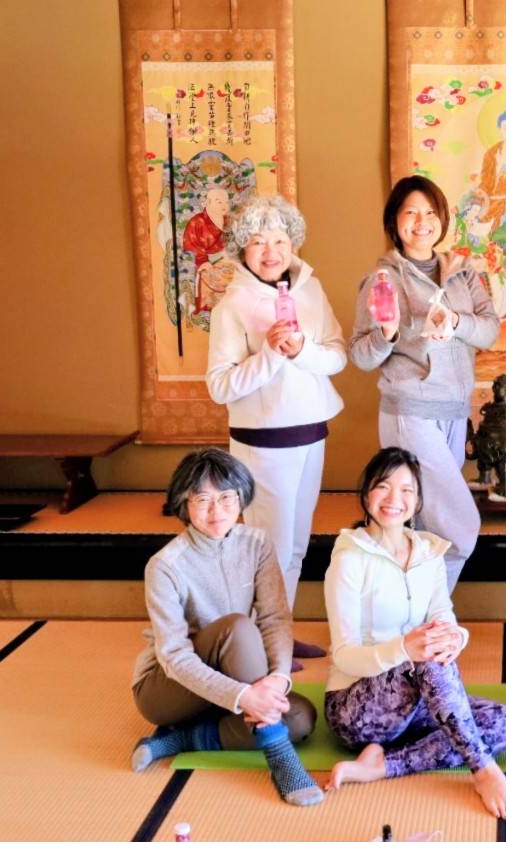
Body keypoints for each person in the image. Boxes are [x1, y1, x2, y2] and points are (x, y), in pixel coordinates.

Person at [322, 448, 506, 820]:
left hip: (415, 703)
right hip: (357, 708)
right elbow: (343, 655)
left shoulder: (428, 552)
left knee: (504, 723)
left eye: (407, 490)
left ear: (417, 501)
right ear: (366, 494)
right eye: (384, 487)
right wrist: (404, 649)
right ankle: (484, 771)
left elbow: (443, 617)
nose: (394, 499)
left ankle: (382, 765)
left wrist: (456, 638)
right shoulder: (349, 558)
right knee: (426, 657)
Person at [129, 448, 323, 807]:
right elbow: (174, 657)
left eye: (226, 497)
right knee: (238, 628)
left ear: (241, 497)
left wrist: (277, 679)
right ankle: (279, 755)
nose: (216, 510)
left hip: (234, 677)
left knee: (300, 719)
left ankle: (184, 739)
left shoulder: (257, 544)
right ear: (183, 503)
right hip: (167, 688)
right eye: (202, 499)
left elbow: (275, 618)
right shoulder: (165, 565)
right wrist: (246, 697)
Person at [206, 194, 344, 663]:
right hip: (263, 443)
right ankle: (259, 646)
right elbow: (220, 386)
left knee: (297, 546)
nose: (271, 251)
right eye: (259, 242)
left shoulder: (311, 290)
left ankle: (280, 632)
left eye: (281, 240)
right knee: (269, 549)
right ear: (241, 248)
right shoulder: (232, 305)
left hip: (311, 432)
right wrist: (269, 354)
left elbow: (336, 355)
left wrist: (301, 349)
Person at [350, 176, 500, 591]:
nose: (421, 222)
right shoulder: (382, 280)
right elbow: (360, 355)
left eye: (430, 212)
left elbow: (489, 330)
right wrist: (388, 334)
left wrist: (456, 322)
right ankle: (434, 616)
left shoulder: (463, 274)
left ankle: (410, 615)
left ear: (442, 219)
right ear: (394, 221)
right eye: (411, 212)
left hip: (453, 412)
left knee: (423, 525)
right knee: (460, 525)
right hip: (410, 411)